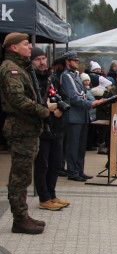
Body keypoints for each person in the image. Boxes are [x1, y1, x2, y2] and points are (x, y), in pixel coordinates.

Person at [0, 33, 56, 234]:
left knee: (24, 175)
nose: (30, 48)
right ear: (14, 48)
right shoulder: (11, 69)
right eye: (26, 45)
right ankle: (19, 219)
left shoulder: (20, 68)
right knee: (20, 176)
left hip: (27, 128)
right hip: (20, 128)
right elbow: (18, 101)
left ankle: (22, 215)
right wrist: (44, 111)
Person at [30, 47, 69, 211]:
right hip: (42, 128)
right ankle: (44, 198)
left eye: (44, 59)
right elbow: (30, 102)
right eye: (38, 59)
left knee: (55, 164)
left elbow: (63, 97)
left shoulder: (50, 79)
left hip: (56, 127)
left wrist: (59, 108)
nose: (42, 62)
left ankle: (52, 194)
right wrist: (47, 107)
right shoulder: (31, 79)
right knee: (42, 165)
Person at [60, 51, 102, 182]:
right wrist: (90, 103)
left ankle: (79, 170)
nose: (77, 63)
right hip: (73, 116)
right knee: (73, 146)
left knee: (81, 146)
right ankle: (72, 171)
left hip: (82, 115)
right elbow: (72, 97)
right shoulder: (66, 76)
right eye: (75, 61)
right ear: (67, 61)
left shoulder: (75, 76)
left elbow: (82, 93)